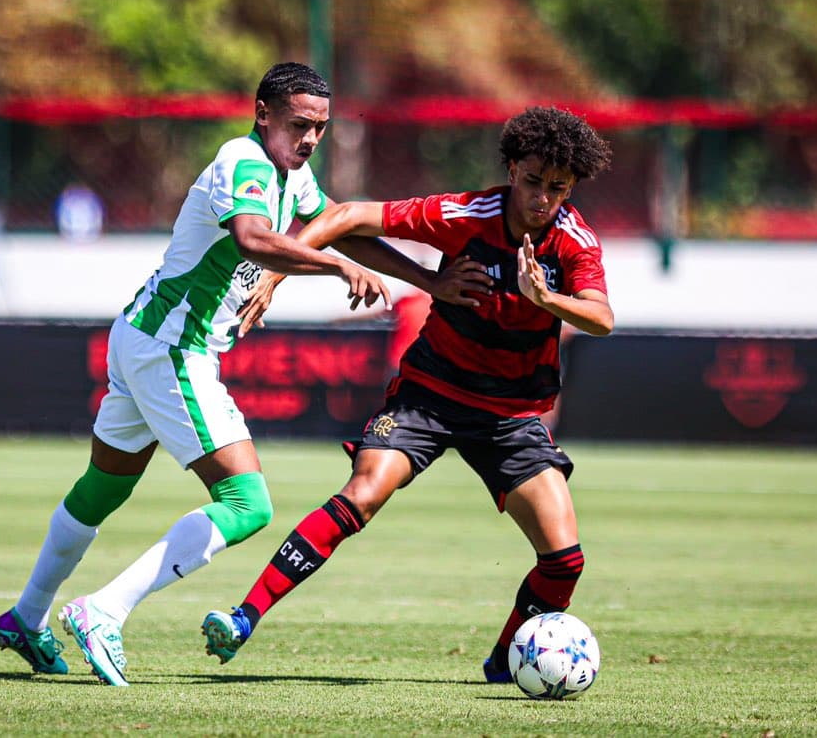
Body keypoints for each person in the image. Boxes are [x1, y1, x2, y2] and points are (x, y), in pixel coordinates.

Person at [0, 62, 484, 685]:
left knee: (103, 488)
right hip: (172, 345)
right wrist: (331, 270)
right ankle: (102, 610)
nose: (309, 140)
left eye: (320, 129)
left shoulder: (292, 177)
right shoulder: (243, 162)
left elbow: (345, 228)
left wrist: (431, 280)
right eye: (299, 125)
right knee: (247, 504)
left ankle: (26, 616)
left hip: (143, 336)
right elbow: (252, 239)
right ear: (263, 114)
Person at [201, 106, 614, 687]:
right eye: (533, 181)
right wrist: (275, 273)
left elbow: (601, 318)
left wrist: (547, 300)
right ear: (512, 168)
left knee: (565, 560)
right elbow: (346, 216)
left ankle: (504, 663)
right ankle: (244, 617)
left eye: (558, 189)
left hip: (510, 417)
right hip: (429, 396)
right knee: (363, 494)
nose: (543, 198)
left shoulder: (573, 244)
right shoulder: (466, 213)